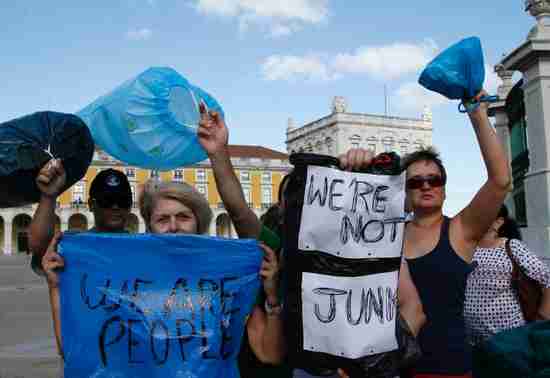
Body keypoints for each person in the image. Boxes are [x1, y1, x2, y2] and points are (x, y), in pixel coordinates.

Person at [197, 107, 426, 378]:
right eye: (292, 199)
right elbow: (239, 210)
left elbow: (414, 309)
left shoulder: (374, 245)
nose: (298, 205)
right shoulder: (280, 245)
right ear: (282, 208)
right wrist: (218, 153)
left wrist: (379, 360)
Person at [401, 93, 511, 378]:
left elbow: (500, 181)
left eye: (434, 179)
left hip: (447, 367)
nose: (426, 186)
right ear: (404, 192)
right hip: (391, 367)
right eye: (415, 182)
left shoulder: (461, 230)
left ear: (444, 188)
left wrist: (477, 113)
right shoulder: (387, 237)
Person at [29, 166, 133, 359]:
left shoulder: (143, 248)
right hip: (86, 353)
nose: (115, 207)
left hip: (133, 351)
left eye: (123, 201)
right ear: (91, 204)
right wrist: (48, 197)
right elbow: (38, 246)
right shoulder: (71, 246)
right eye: (107, 201)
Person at [464, 204, 550, 346]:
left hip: (510, 342)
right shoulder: (465, 248)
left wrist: (542, 319)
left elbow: (547, 279)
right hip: (472, 343)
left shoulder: (511, 246)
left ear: (499, 222)